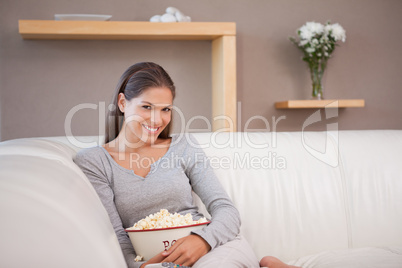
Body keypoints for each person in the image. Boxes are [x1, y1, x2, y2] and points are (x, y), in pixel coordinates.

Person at [74, 62, 297, 268]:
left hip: (213, 248)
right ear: (123, 103)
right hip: (158, 261)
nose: (157, 120)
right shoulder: (95, 162)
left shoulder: (183, 146)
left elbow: (225, 209)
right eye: (147, 107)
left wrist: (202, 241)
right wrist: (141, 266)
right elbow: (116, 235)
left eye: (166, 109)